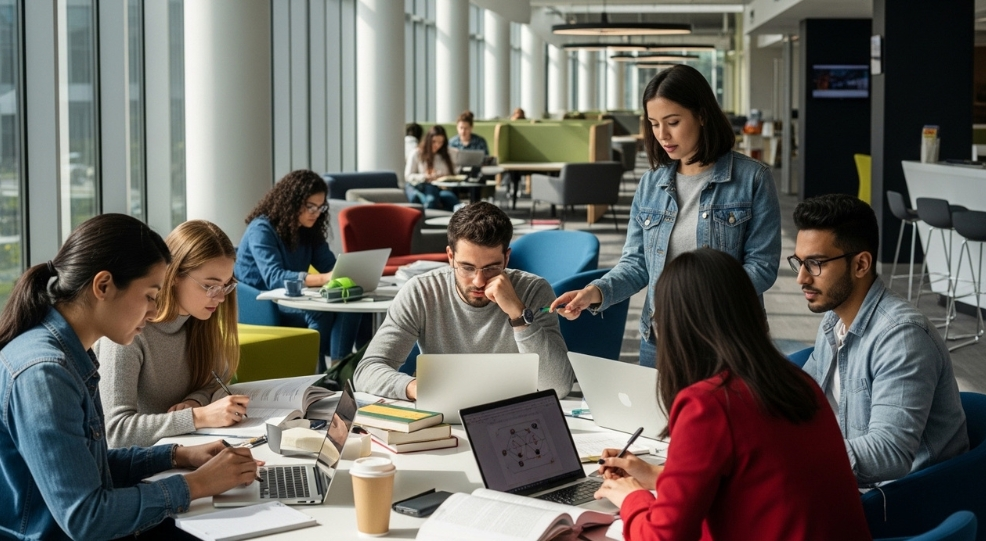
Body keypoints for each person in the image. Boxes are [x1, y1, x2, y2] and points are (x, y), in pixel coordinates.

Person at [0, 214, 259, 540]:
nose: (154, 311)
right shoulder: (45, 374)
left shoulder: (70, 355)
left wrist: (177, 454)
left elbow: (91, 466)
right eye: (151, 295)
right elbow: (88, 517)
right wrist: (198, 484)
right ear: (103, 286)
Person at [593, 248, 870, 541]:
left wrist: (632, 498)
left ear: (677, 327)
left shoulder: (707, 404)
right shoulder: (797, 381)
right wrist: (657, 476)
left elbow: (662, 537)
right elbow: (752, 484)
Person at [551, 64, 781, 368]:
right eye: (654, 124)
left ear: (701, 115)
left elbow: (762, 267)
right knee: (656, 417)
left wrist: (701, 301)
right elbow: (637, 264)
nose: (662, 135)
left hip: (728, 338)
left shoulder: (752, 179)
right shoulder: (651, 183)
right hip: (660, 339)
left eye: (672, 122)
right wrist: (595, 292)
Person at [791, 194, 968, 487]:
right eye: (799, 262)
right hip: (852, 482)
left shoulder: (902, 337)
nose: (801, 278)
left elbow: (890, 452)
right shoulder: (834, 320)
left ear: (861, 264)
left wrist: (795, 458)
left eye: (815, 264)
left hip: (904, 498)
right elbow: (801, 397)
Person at [353, 201, 573, 401]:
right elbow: (367, 370)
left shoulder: (533, 290)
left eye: (491, 268)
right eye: (467, 267)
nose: (478, 281)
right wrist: (414, 387)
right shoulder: (421, 291)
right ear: (450, 257)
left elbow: (558, 386)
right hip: (444, 414)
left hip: (512, 414)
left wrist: (519, 315)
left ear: (506, 258)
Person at [95, 220, 248, 448]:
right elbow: (116, 433)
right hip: (140, 468)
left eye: (226, 285)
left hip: (182, 452)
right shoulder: (129, 332)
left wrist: (195, 400)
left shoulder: (200, 321)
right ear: (174, 274)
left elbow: (215, 382)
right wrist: (199, 416)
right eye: (210, 286)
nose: (221, 297)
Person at [236, 169, 363, 372]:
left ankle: (339, 370)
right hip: (263, 301)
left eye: (320, 207)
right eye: (310, 206)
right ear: (291, 203)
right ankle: (313, 374)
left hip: (293, 297)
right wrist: (324, 278)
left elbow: (329, 266)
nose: (315, 213)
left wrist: (347, 274)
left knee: (351, 307)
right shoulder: (261, 229)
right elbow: (274, 277)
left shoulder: (308, 230)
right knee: (320, 314)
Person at [404, 124, 461, 211]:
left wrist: (442, 176)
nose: (437, 145)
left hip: (441, 188)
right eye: (434, 141)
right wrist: (424, 176)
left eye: (440, 142)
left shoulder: (445, 154)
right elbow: (408, 176)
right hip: (423, 186)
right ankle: (428, 223)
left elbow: (454, 173)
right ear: (428, 140)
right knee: (432, 200)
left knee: (451, 199)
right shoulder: (416, 153)